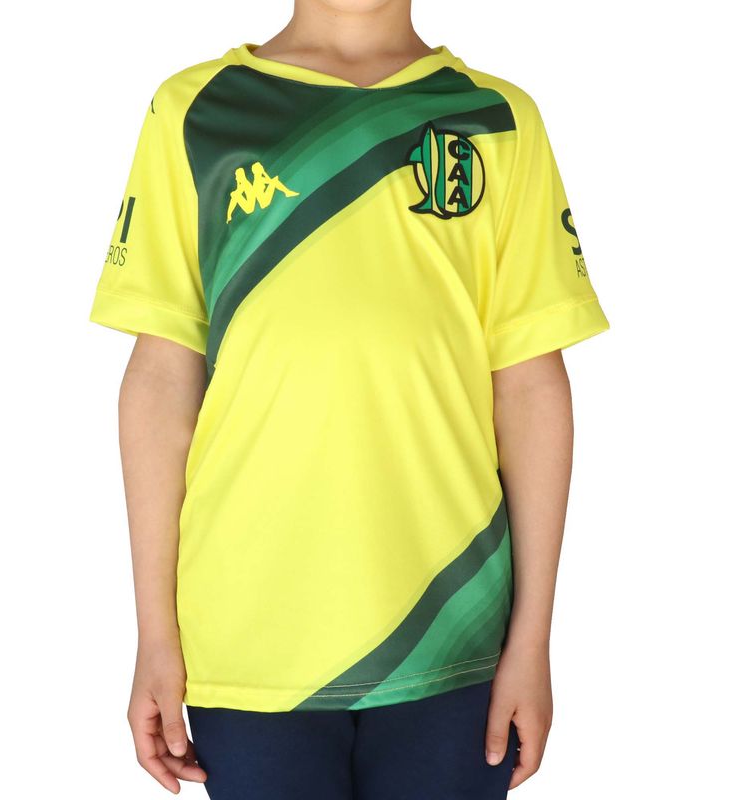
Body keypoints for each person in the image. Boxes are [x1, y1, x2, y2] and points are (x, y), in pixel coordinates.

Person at [88, 1, 610, 797]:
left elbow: (532, 386)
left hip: (454, 635)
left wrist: (532, 641)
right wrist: (155, 635)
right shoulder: (195, 110)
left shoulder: (497, 119)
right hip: (248, 638)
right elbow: (161, 380)